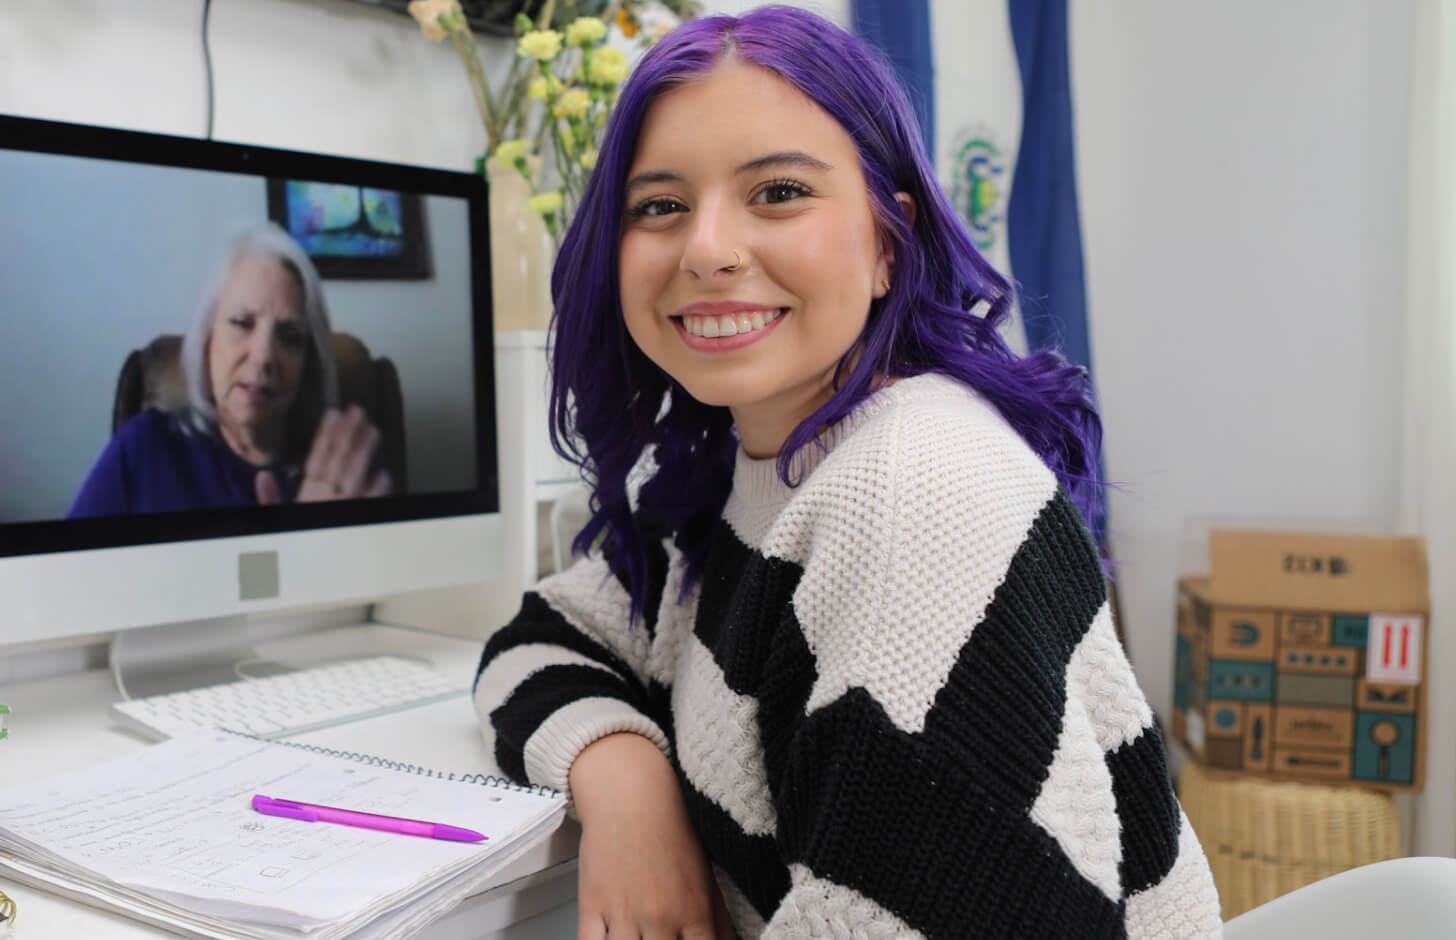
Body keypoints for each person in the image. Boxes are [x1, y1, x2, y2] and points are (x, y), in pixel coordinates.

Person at [471, 7, 1222, 939]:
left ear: (885, 243)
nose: (707, 249)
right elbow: (538, 640)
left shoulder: (911, 489)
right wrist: (626, 782)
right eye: (659, 205)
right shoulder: (750, 473)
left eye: (778, 191)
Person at [68, 222, 392, 517]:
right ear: (207, 338)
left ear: (308, 363)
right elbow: (74, 576)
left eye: (290, 338)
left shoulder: (341, 469)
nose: (263, 356)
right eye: (241, 323)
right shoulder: (142, 448)